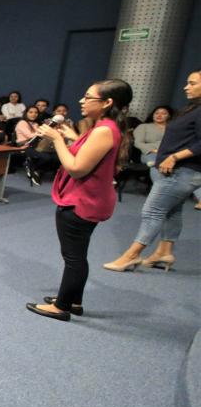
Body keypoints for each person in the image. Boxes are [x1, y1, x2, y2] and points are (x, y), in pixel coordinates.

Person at [25, 79, 132, 321]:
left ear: (107, 102)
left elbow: (76, 168)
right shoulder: (105, 126)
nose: (81, 101)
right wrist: (72, 137)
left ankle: (62, 306)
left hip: (82, 201)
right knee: (76, 255)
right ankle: (73, 300)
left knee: (73, 258)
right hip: (90, 198)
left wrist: (57, 140)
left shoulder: (104, 130)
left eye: (88, 97)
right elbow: (87, 152)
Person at [103, 71, 200, 273]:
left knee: (152, 211)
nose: (186, 87)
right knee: (172, 211)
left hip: (181, 170)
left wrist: (174, 157)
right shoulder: (193, 109)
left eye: (192, 83)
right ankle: (164, 252)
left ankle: (131, 256)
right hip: (178, 170)